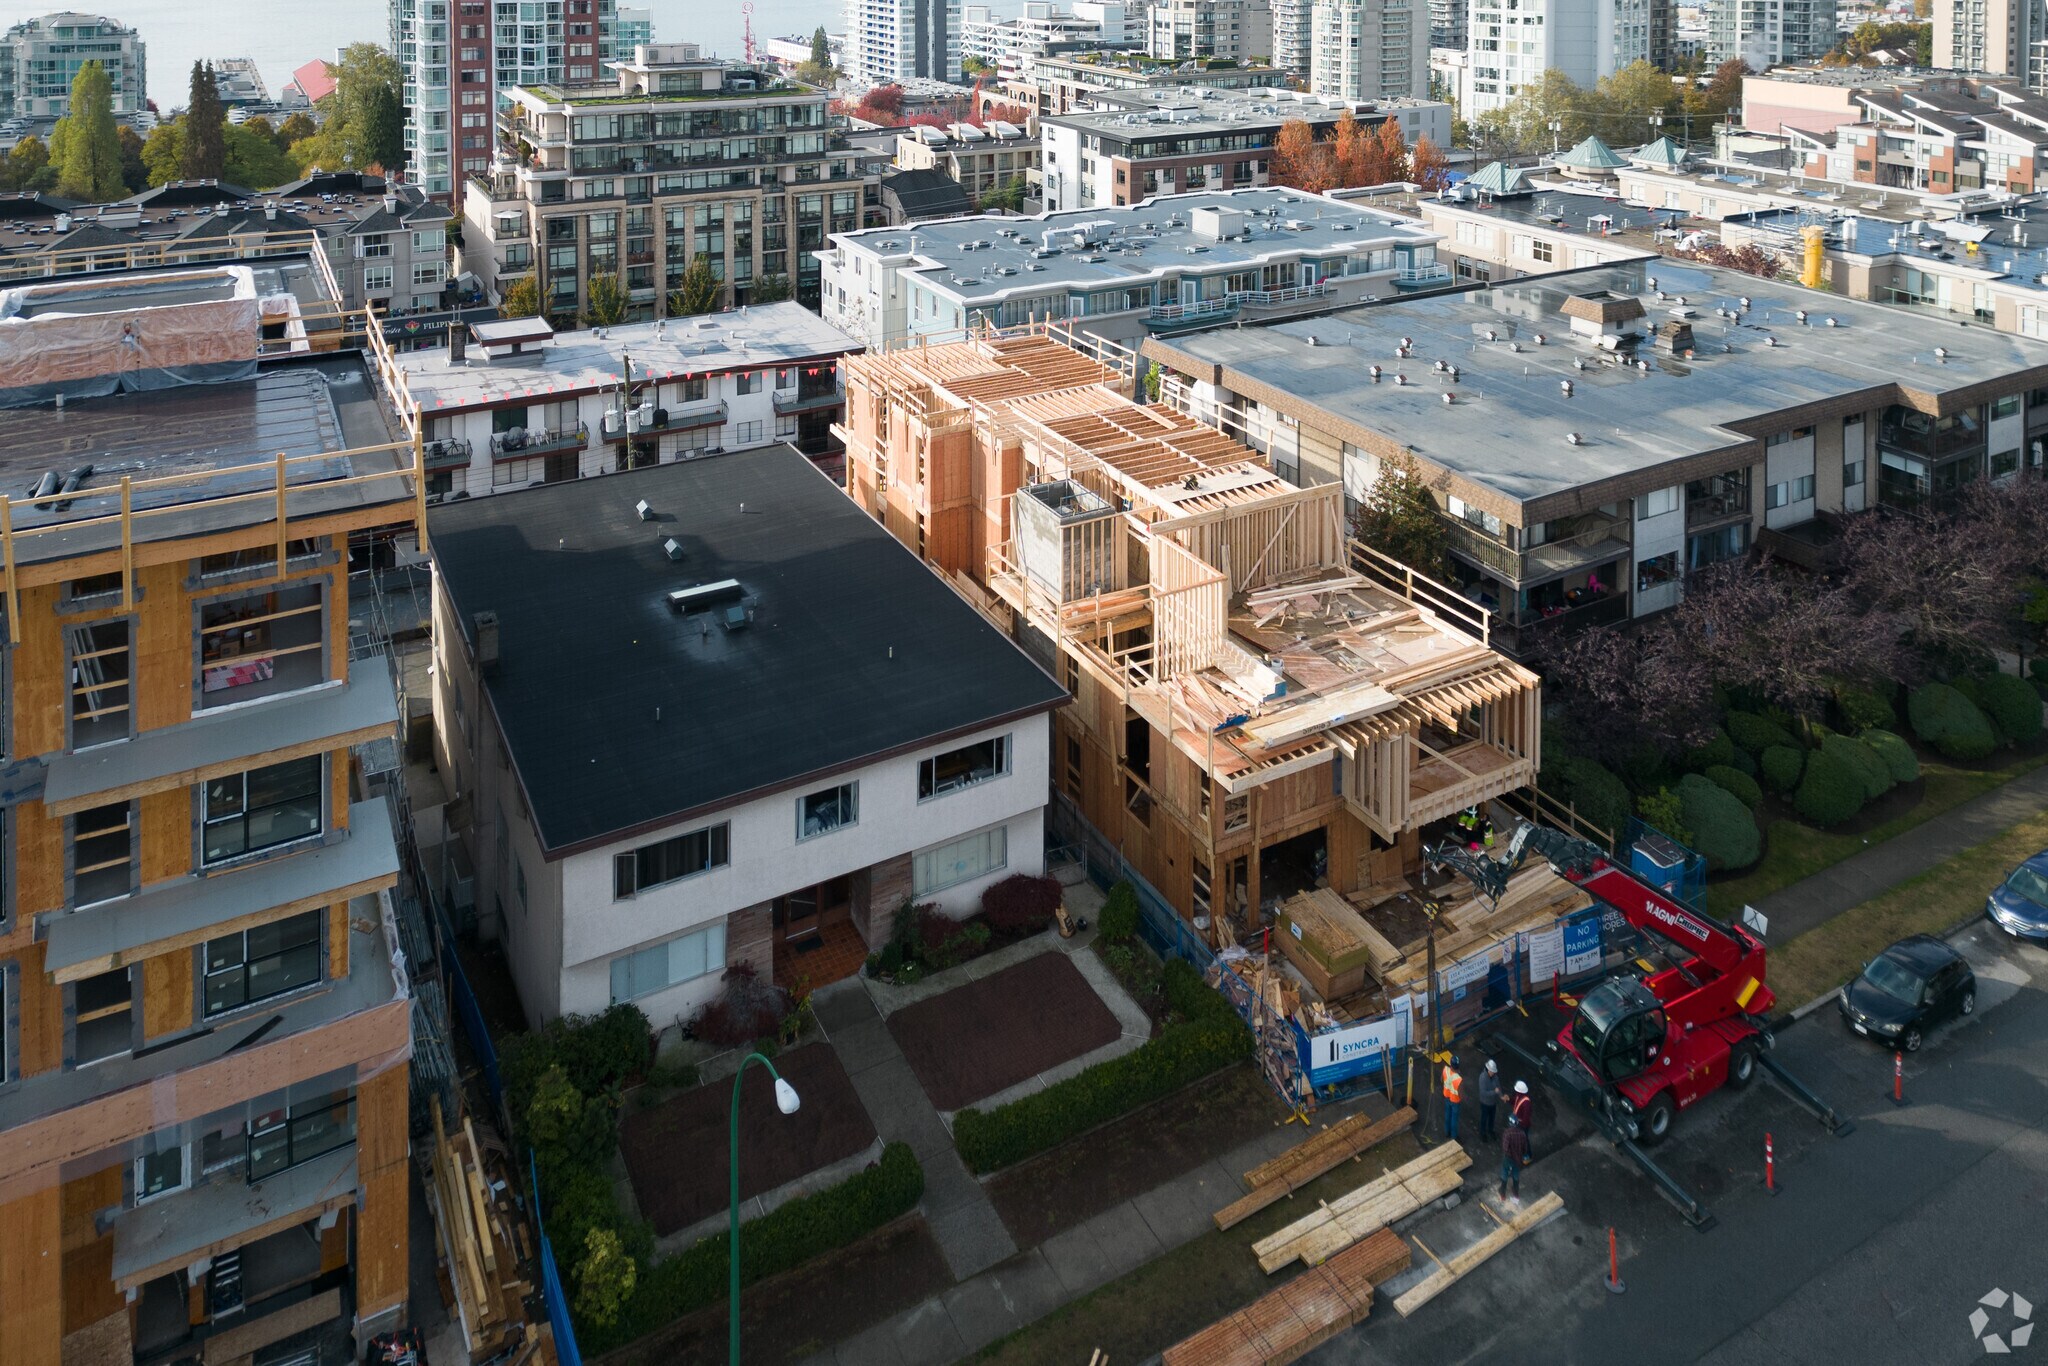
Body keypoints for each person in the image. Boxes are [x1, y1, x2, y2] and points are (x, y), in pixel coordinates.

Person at [1499, 1114, 1529, 1206]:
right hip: (1518, 1159)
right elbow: (1525, 1148)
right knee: (1516, 1174)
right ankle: (1516, 1193)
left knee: (1504, 1172)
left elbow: (1505, 1148)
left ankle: (1503, 1194)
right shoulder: (1522, 1133)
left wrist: (1509, 1154)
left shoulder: (1507, 1133)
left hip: (1508, 1158)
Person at [1477, 1058, 1501, 1142]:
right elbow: (1483, 1092)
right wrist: (1494, 1092)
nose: (1493, 1073)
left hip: (1493, 1103)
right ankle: (1482, 1133)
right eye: (1492, 1071)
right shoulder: (1482, 1078)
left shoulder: (1495, 1077)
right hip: (1485, 1103)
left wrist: (1501, 1096)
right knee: (1484, 1118)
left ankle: (1491, 1130)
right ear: (1488, 1070)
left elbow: (1498, 1087)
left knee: (1492, 1118)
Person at [1442, 1054, 1464, 1143]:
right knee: (1454, 1119)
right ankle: (1454, 1136)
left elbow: (1441, 1079)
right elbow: (1461, 1093)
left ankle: (1447, 1132)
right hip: (1455, 1100)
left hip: (1447, 1097)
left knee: (1447, 1115)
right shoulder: (1458, 1079)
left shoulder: (1445, 1070)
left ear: (1450, 1064)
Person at [1510, 1079, 1534, 1158]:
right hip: (1519, 1123)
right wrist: (1509, 1100)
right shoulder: (1519, 1096)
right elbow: (1514, 1101)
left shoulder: (1526, 1103)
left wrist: (1520, 1123)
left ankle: (1528, 1155)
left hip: (1523, 1125)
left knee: (1524, 1140)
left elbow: (1526, 1118)